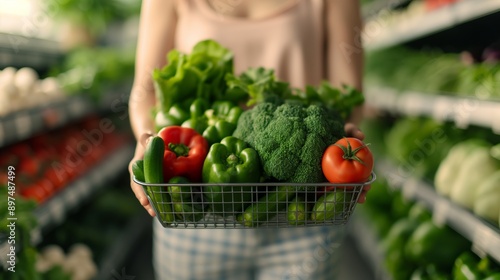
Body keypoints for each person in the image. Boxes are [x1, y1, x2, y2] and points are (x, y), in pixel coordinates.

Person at [128, 0, 368, 279]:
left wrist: (345, 140)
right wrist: (145, 140)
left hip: (303, 211)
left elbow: (347, 92)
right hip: (196, 210)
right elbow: (144, 93)